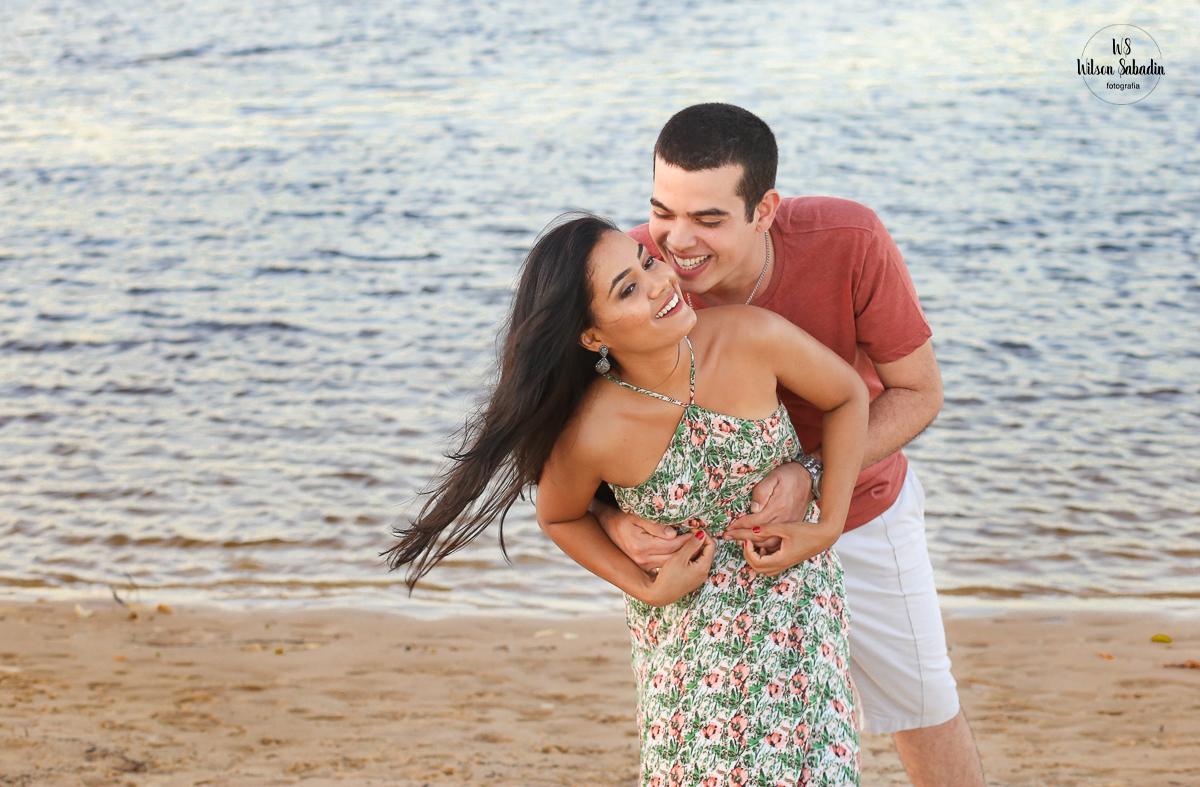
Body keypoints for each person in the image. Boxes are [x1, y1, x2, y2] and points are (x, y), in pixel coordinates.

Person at [386, 213, 870, 786]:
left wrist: (828, 523)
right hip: (688, 636)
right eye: (628, 289)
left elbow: (848, 397)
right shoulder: (591, 430)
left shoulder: (750, 336)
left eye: (646, 262)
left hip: (798, 604)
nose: (660, 281)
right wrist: (645, 586)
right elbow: (560, 516)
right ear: (592, 336)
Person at [596, 104, 987, 787]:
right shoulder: (633, 274)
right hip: (714, 547)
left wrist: (810, 472)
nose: (676, 243)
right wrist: (614, 522)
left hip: (862, 509)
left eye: (709, 219)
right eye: (664, 211)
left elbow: (918, 392)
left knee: (922, 702)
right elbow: (570, 431)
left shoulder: (849, 237)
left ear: (765, 209)